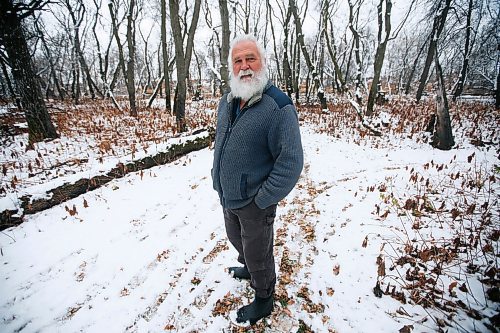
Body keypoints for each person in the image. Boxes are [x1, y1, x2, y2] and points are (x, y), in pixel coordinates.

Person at [211, 34, 303, 325]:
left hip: (255, 203)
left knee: (258, 252)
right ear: (231, 67)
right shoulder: (227, 102)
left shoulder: (278, 106)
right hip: (229, 197)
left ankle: (264, 296)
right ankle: (249, 268)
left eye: (251, 58)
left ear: (263, 62)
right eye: (238, 60)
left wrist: (263, 199)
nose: (245, 66)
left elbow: (290, 162)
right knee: (237, 240)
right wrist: (217, 178)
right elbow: (220, 143)